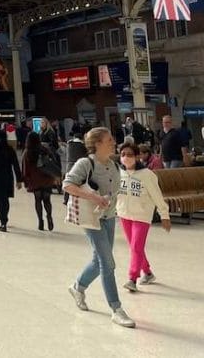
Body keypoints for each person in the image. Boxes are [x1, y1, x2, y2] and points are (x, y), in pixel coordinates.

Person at [63, 127, 134, 328]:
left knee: (99, 260)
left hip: (109, 217)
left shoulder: (113, 165)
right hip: (92, 219)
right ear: (98, 143)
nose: (113, 142)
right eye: (109, 139)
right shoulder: (85, 163)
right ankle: (116, 309)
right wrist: (94, 197)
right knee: (108, 263)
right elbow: (67, 185)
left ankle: (78, 286)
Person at [117, 142, 170, 292]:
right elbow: (114, 193)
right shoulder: (118, 173)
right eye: (123, 154)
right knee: (135, 247)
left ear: (137, 156)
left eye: (130, 154)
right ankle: (147, 272)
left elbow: (157, 196)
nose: (126, 157)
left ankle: (132, 278)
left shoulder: (147, 175)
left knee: (135, 246)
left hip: (142, 216)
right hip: (124, 214)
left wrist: (164, 215)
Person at [21, 131, 56, 231]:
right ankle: (49, 216)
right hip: (46, 179)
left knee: (38, 201)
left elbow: (24, 168)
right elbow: (53, 162)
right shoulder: (45, 149)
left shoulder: (27, 152)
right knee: (47, 200)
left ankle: (40, 221)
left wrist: (25, 180)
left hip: (34, 180)